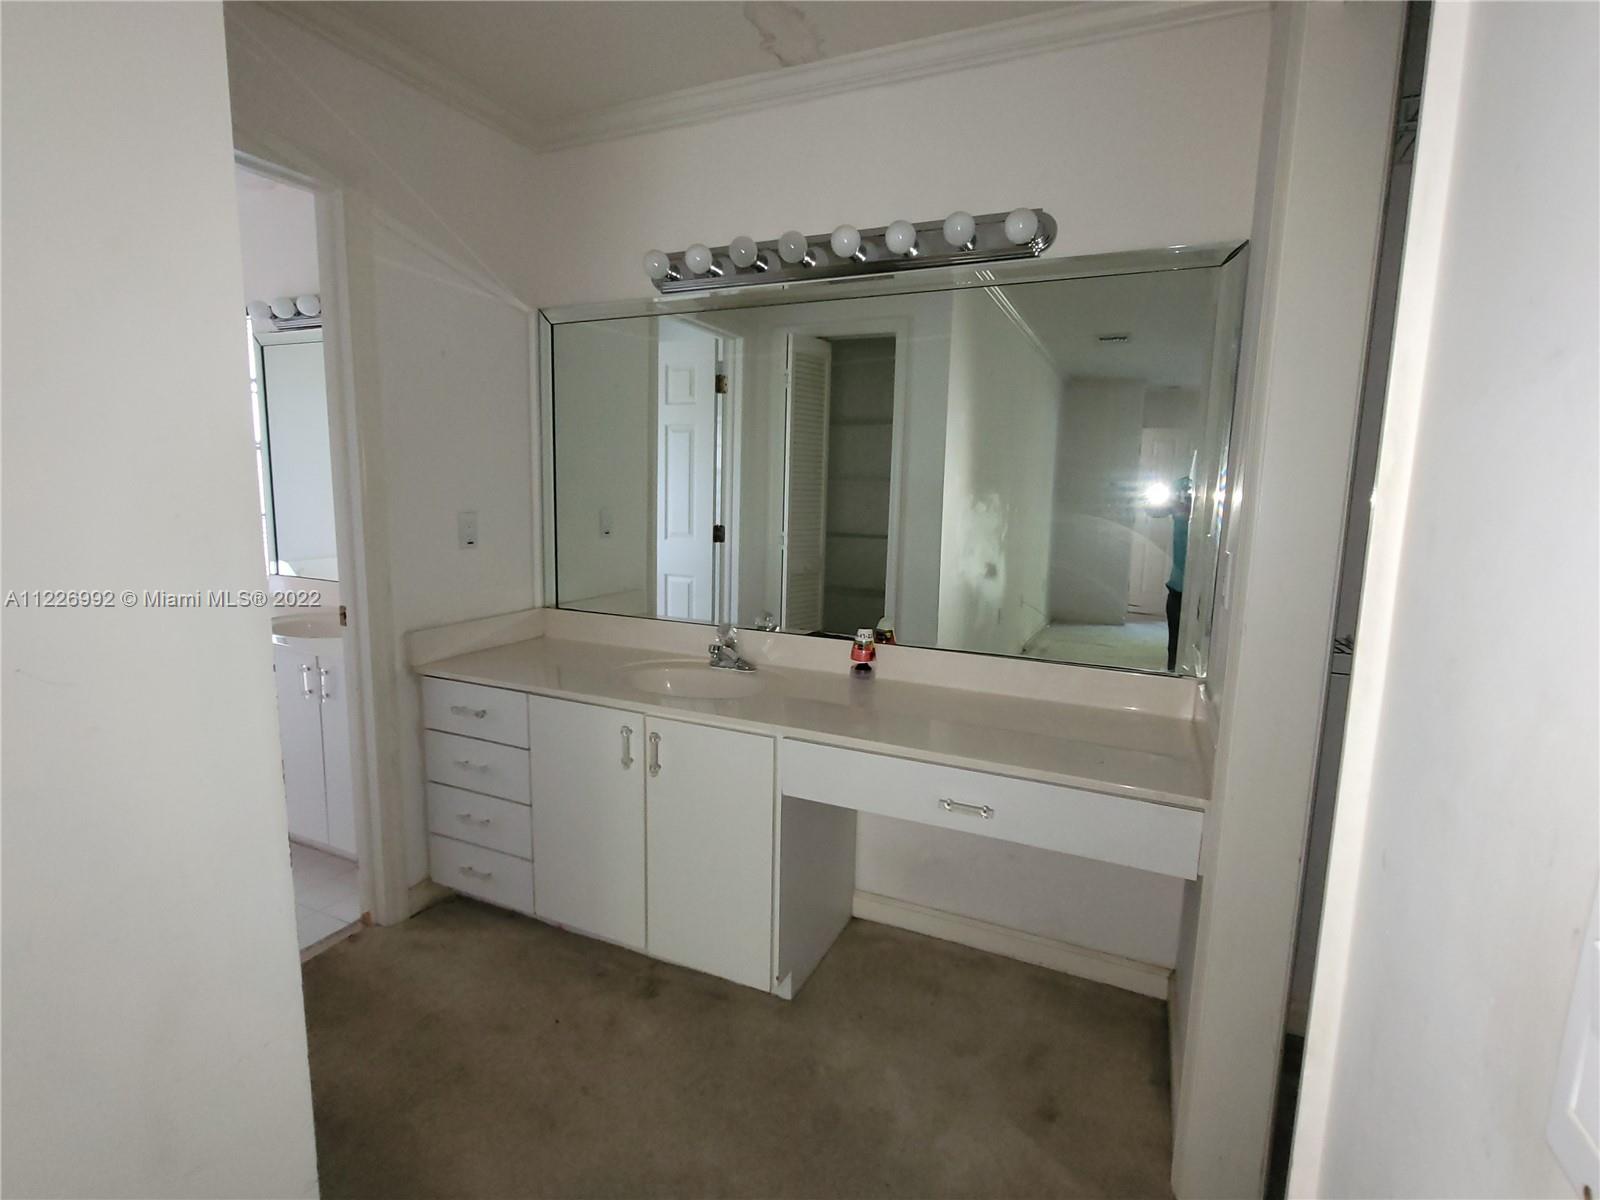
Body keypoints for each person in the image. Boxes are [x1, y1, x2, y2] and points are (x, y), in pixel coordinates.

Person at [1149, 476, 1193, 672]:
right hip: (1178, 586)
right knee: (1174, 644)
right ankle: (1172, 670)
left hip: (1204, 588)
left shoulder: (1209, 511)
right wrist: (1172, 495)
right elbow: (1152, 510)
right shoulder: (1178, 502)